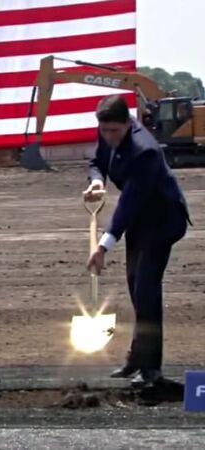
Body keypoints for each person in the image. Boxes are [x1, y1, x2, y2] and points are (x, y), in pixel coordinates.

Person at [84, 95, 191, 387]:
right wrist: (97, 181)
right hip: (139, 222)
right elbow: (97, 161)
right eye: (104, 131)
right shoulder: (107, 128)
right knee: (135, 285)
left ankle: (151, 369)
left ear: (127, 125)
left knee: (147, 290)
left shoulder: (146, 152)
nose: (108, 137)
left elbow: (129, 202)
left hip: (162, 220)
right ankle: (136, 359)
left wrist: (103, 245)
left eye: (114, 132)